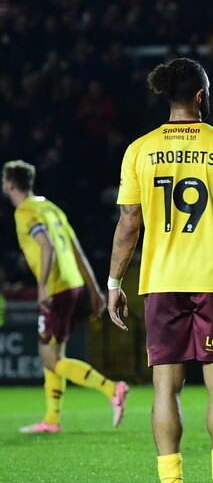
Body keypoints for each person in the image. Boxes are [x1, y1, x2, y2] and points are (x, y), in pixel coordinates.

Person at [107, 58, 213, 483]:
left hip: (160, 280)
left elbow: (128, 222)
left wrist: (114, 282)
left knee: (165, 388)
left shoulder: (139, 149)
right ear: (201, 95)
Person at [2, 160, 128, 434]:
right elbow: (76, 247)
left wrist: (43, 286)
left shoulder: (25, 211)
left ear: (10, 184)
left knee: (49, 358)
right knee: (54, 352)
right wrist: (94, 289)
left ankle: (112, 389)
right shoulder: (50, 207)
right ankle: (51, 419)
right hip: (73, 284)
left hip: (57, 287)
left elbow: (46, 246)